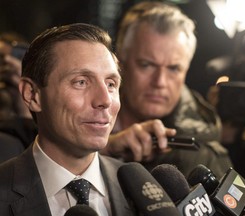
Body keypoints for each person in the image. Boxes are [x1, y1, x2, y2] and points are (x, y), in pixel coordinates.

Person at [0, 23, 136, 216]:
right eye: (81, 82)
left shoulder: (141, 190)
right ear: (32, 94)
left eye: (111, 84)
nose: (105, 100)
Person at [100, 1, 232, 178]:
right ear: (120, 62)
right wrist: (103, 149)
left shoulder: (205, 155)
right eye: (146, 65)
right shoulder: (75, 123)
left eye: (173, 68)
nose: (160, 82)